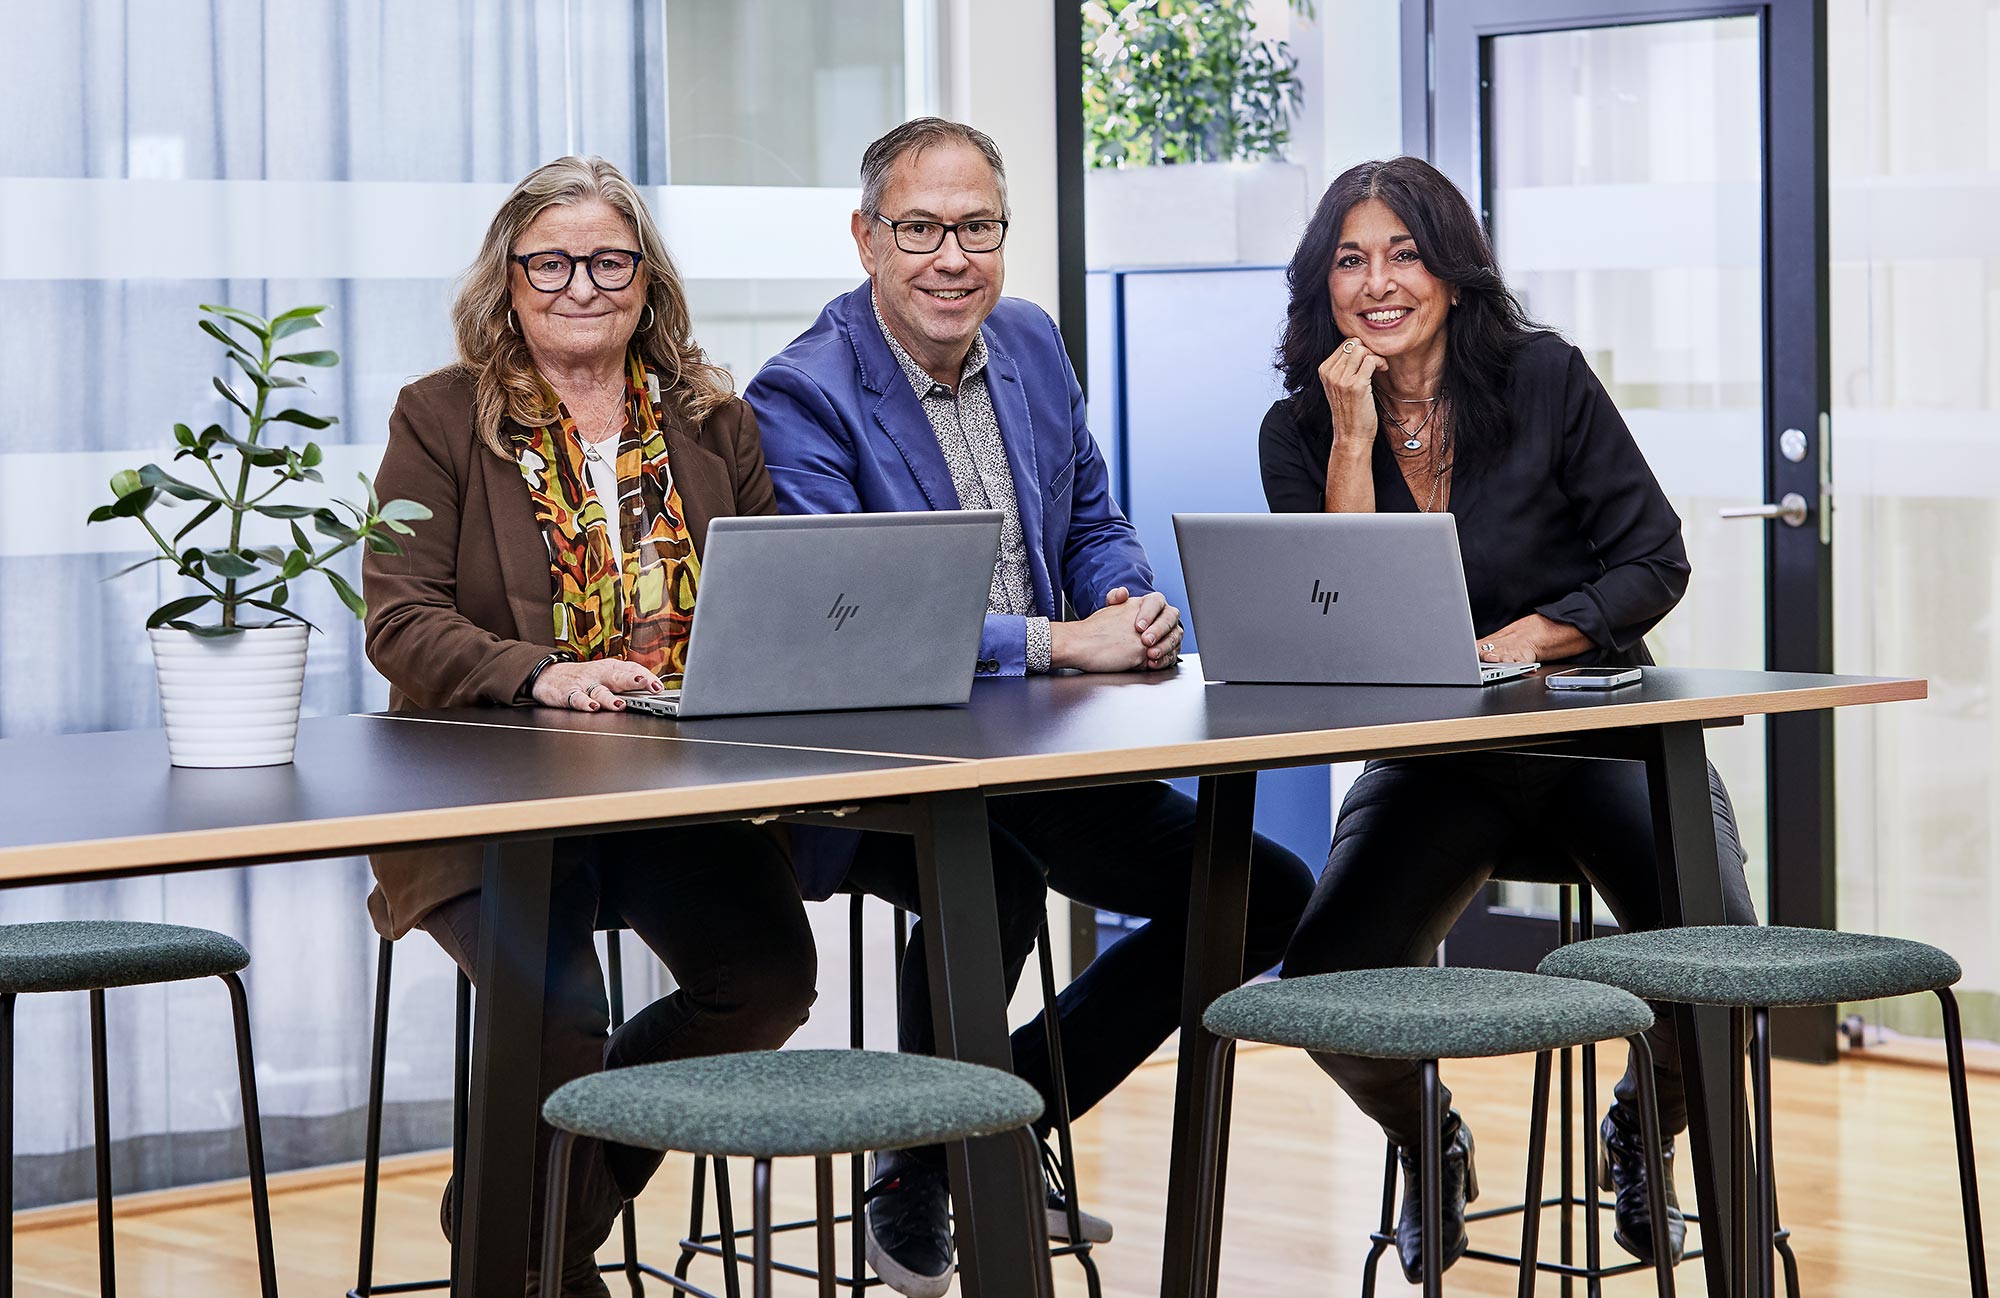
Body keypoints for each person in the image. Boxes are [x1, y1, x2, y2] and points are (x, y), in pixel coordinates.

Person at [746, 117, 1316, 1298]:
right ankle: (929, 1163)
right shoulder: (799, 395)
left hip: (1044, 752)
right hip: (881, 770)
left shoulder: (1031, 344)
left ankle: (964, 1133)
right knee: (987, 870)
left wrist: (1125, 591)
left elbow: (1087, 512)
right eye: (919, 229)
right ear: (865, 237)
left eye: (977, 228)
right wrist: (1062, 640)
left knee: (1264, 891)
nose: (952, 257)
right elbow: (856, 618)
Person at [1259, 155, 1756, 1286]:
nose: (1376, 282)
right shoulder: (1296, 428)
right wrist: (1349, 439)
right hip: (1437, 763)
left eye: (1402, 253)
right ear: (1319, 283)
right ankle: (1424, 1135)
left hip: (1595, 734)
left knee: (1722, 963)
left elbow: (1651, 559)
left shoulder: (1544, 379)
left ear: (1451, 269)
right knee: (1324, 988)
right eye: (1348, 259)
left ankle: (1642, 1126)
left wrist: (1526, 635)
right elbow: (1342, 621)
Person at [361, 156, 819, 1298]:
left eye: (609, 259)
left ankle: (509, 1216)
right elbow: (398, 617)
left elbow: (771, 591)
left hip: (671, 783)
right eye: (550, 261)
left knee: (764, 979)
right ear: (507, 281)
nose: (581, 283)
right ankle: (545, 1264)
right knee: (560, 1012)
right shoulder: (437, 416)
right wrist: (539, 674)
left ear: (645, 279)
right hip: (485, 787)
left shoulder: (713, 419)